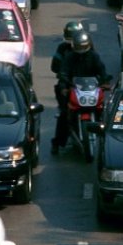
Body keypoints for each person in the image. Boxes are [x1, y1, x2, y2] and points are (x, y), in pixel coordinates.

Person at [54, 31, 108, 154]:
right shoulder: (69, 57)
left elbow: (101, 70)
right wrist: (64, 86)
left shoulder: (94, 56)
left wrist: (104, 81)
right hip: (73, 89)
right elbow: (63, 72)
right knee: (63, 114)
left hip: (90, 90)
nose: (81, 50)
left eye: (83, 47)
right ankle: (57, 143)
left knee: (105, 110)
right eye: (79, 47)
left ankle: (107, 138)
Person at [50, 21, 85, 154]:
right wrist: (64, 77)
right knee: (64, 113)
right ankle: (57, 142)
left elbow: (96, 64)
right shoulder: (62, 49)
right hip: (67, 86)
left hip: (85, 86)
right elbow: (54, 67)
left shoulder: (88, 47)